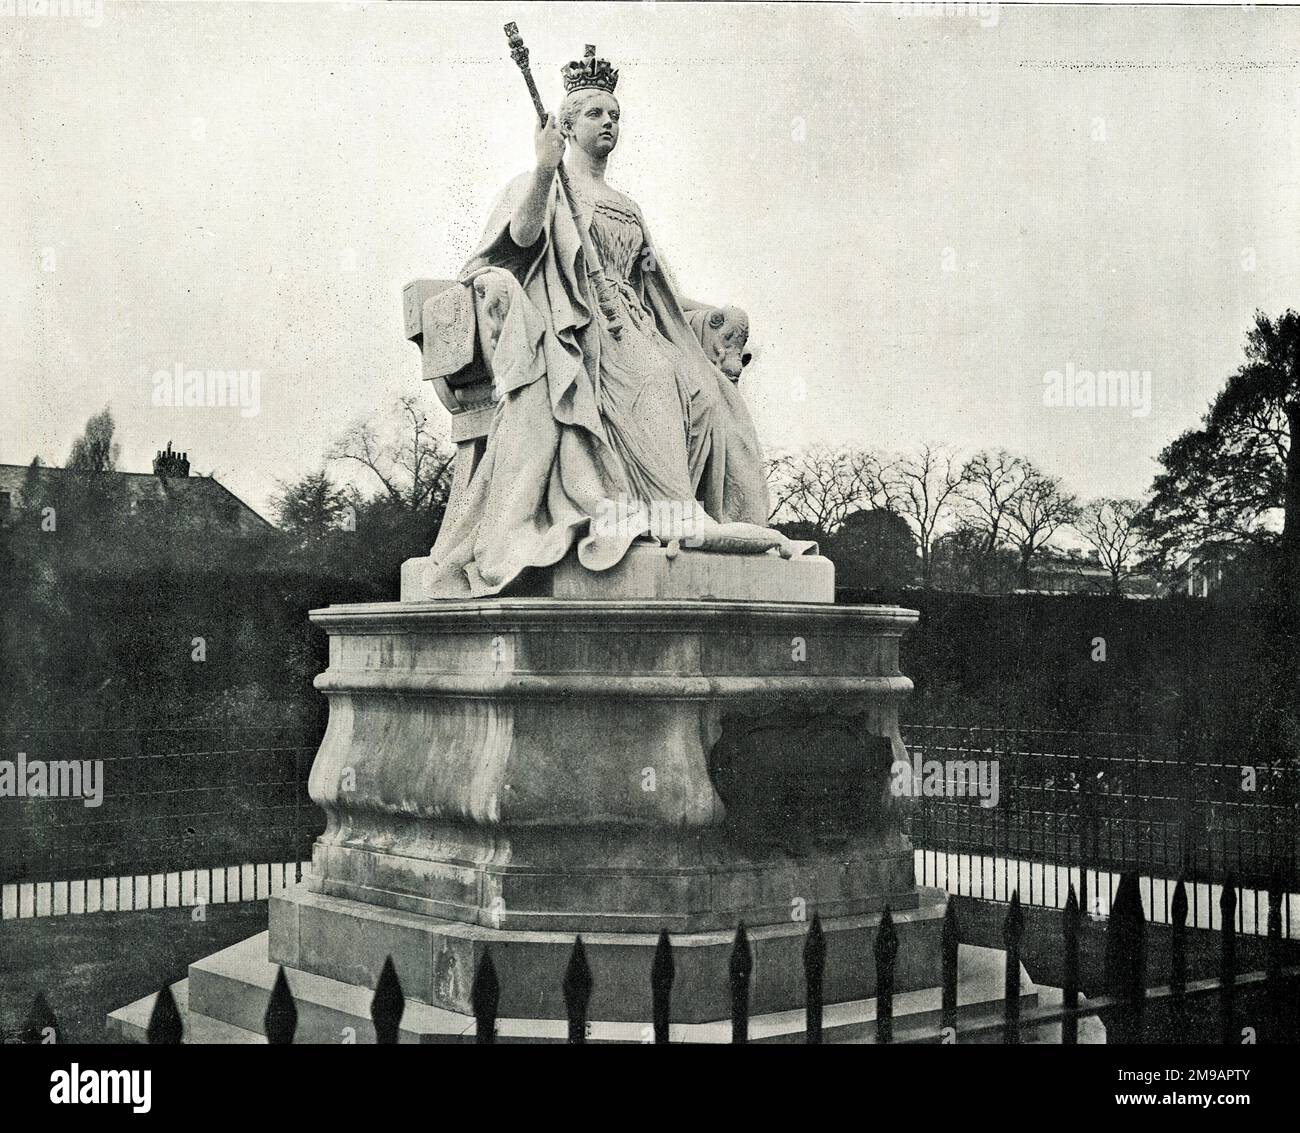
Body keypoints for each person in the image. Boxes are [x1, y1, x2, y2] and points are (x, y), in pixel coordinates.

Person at [424, 46, 782, 598]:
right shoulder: (538, 181)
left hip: (634, 322)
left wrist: (716, 317)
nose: (609, 122)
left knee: (705, 392)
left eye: (614, 115)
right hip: (576, 326)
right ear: (565, 126)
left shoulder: (626, 205)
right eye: (595, 113)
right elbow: (519, 241)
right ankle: (671, 515)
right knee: (655, 382)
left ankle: (693, 515)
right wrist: (544, 167)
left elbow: (660, 289)